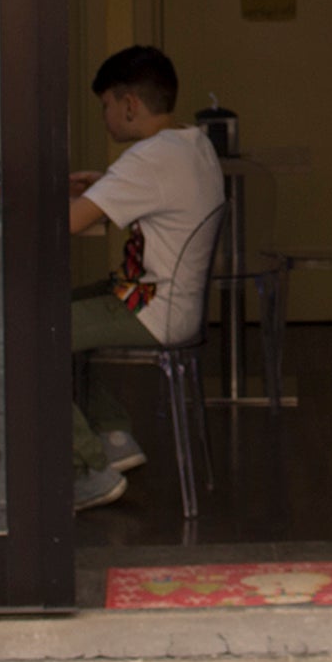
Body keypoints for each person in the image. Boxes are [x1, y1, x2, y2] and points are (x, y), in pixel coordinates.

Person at [66, 46, 225, 510]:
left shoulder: (148, 159)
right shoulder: (192, 144)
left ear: (129, 103)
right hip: (174, 300)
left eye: (106, 107)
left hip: (153, 308)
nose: (106, 117)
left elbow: (72, 223)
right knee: (64, 308)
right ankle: (114, 437)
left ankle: (86, 470)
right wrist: (103, 188)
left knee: (31, 333)